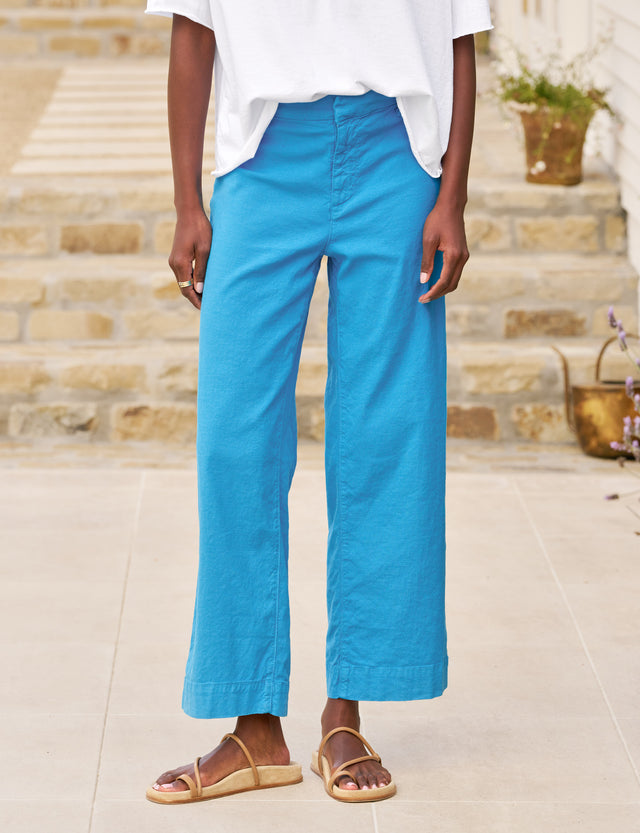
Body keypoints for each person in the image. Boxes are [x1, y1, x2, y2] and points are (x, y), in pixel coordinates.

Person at [144, 0, 492, 805]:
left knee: (385, 433)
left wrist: (453, 196)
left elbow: (458, 35)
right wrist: (187, 201)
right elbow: (194, 29)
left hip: (397, 156)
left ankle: (347, 712)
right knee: (234, 438)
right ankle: (253, 726)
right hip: (262, 159)